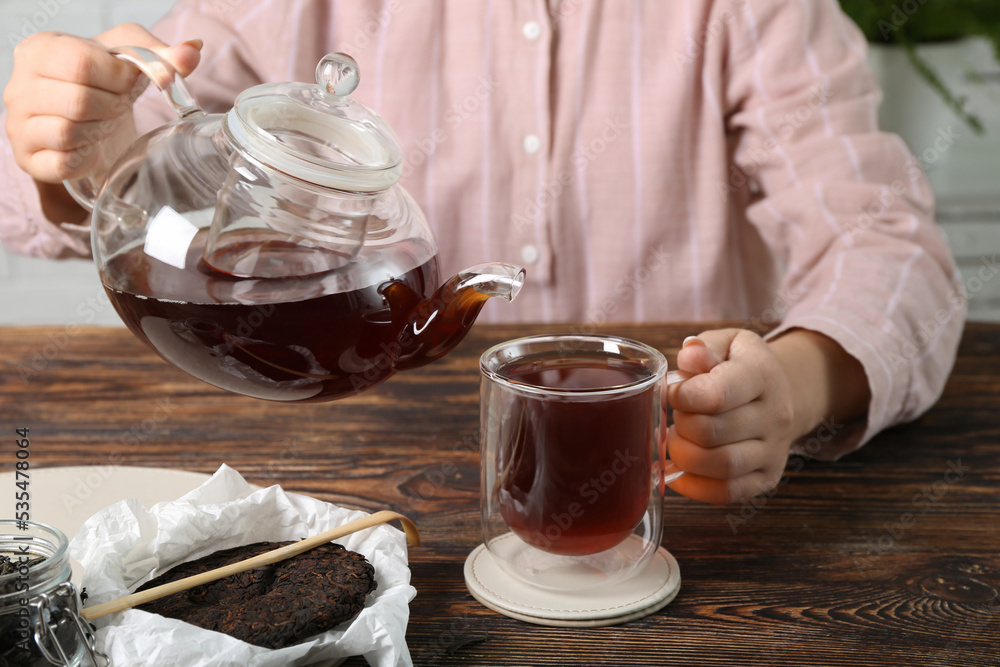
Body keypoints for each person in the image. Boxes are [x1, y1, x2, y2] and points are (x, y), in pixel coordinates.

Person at [0, 0, 964, 506]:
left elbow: (886, 244)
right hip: (347, 482)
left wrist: (793, 388)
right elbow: (40, 194)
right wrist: (83, 147)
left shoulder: (750, 10)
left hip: (663, 477)